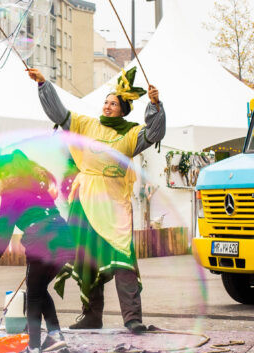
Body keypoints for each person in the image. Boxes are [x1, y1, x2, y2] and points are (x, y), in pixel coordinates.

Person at [27, 67, 166, 333]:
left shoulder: (131, 134)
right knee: (87, 258)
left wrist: (155, 105)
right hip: (86, 201)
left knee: (123, 260)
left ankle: (132, 318)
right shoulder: (86, 124)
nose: (107, 106)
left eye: (114, 103)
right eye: (106, 102)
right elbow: (60, 114)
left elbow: (155, 133)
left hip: (115, 205)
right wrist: (44, 84)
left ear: (124, 109)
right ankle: (91, 315)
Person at [0, 150, 75, 353]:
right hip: (65, 238)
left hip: (41, 240)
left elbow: (3, 233)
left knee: (33, 295)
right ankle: (54, 334)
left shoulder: (10, 192)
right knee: (38, 289)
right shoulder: (36, 184)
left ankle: (33, 349)